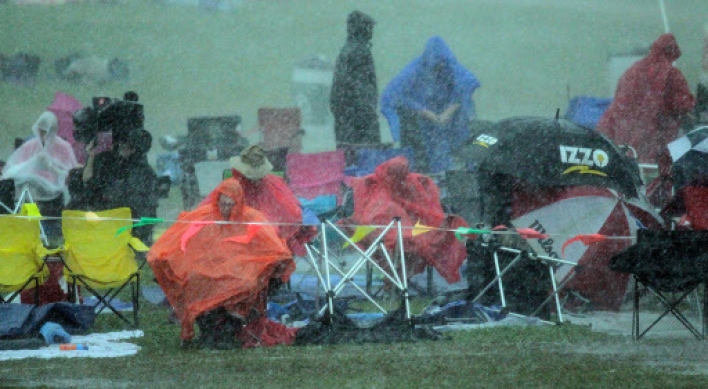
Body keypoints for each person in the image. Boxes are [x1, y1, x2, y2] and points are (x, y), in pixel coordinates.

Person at [148, 179, 297, 349]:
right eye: (222, 203)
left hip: (240, 268)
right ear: (217, 200)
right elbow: (183, 240)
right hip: (210, 267)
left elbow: (269, 245)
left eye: (230, 204)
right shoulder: (203, 217)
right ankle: (211, 328)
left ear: (238, 203)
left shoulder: (252, 218)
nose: (225, 208)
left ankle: (225, 327)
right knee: (194, 279)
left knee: (242, 283)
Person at [597, 33, 695, 207]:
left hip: (624, 136)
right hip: (655, 139)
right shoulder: (671, 74)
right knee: (654, 181)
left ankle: (631, 204)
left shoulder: (633, 70)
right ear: (672, 53)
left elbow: (620, 100)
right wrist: (693, 101)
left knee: (630, 176)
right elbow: (682, 104)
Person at [339, 156, 468, 287]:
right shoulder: (378, 190)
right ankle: (398, 278)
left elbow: (424, 211)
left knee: (413, 244)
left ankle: (397, 279)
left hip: (403, 233)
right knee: (408, 243)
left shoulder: (413, 184)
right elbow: (375, 219)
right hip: (389, 234)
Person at [380, 36, 481, 173]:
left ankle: (457, 172)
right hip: (425, 125)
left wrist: (448, 112)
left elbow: (467, 87)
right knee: (433, 151)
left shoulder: (450, 67)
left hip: (452, 122)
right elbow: (394, 96)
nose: (438, 69)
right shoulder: (415, 71)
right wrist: (425, 112)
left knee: (460, 149)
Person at [202, 145, 315, 255]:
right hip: (258, 245)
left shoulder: (272, 185)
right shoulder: (272, 184)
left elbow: (288, 218)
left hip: (252, 246)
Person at [69, 128, 157, 244]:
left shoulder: (142, 172)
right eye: (123, 143)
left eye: (129, 145)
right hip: (111, 222)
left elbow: (134, 202)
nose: (122, 146)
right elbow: (88, 180)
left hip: (125, 227)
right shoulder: (112, 163)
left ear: (136, 150)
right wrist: (91, 157)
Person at [1, 111, 79, 241]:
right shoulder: (30, 146)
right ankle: (33, 222)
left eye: (46, 131)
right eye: (40, 130)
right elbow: (17, 166)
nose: (43, 134)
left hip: (54, 186)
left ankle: (38, 225)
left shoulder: (63, 147)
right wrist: (33, 164)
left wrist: (51, 167)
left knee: (32, 188)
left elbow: (70, 171)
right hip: (31, 185)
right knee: (27, 187)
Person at [330, 10, 381, 147]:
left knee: (347, 153)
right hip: (358, 115)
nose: (372, 32)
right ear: (362, 28)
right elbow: (362, 86)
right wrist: (369, 113)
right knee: (368, 155)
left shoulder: (346, 50)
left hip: (345, 114)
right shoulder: (361, 52)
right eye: (370, 27)